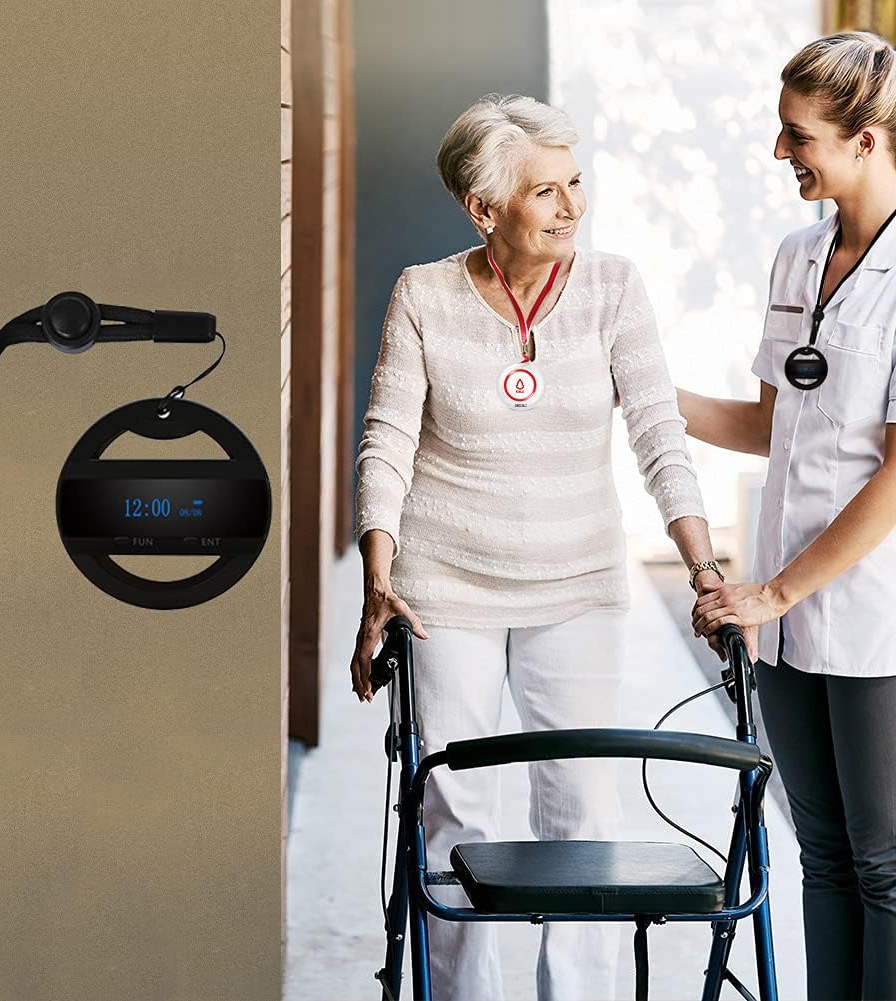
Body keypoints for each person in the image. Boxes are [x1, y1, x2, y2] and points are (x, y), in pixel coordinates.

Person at [351, 94, 722, 1001]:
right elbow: (386, 439)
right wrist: (376, 579)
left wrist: (705, 568)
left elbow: (657, 434)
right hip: (446, 588)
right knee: (458, 809)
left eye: (575, 184)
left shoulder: (611, 288)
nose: (571, 206)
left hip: (576, 585)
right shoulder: (424, 294)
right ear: (484, 210)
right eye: (545, 191)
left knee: (579, 812)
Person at [681, 32, 896, 1000]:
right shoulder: (794, 254)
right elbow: (772, 423)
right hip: (787, 610)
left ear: (863, 139)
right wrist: (635, 389)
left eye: (795, 135)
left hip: (871, 610)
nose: (780, 153)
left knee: (884, 862)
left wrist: (773, 588)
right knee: (818, 849)